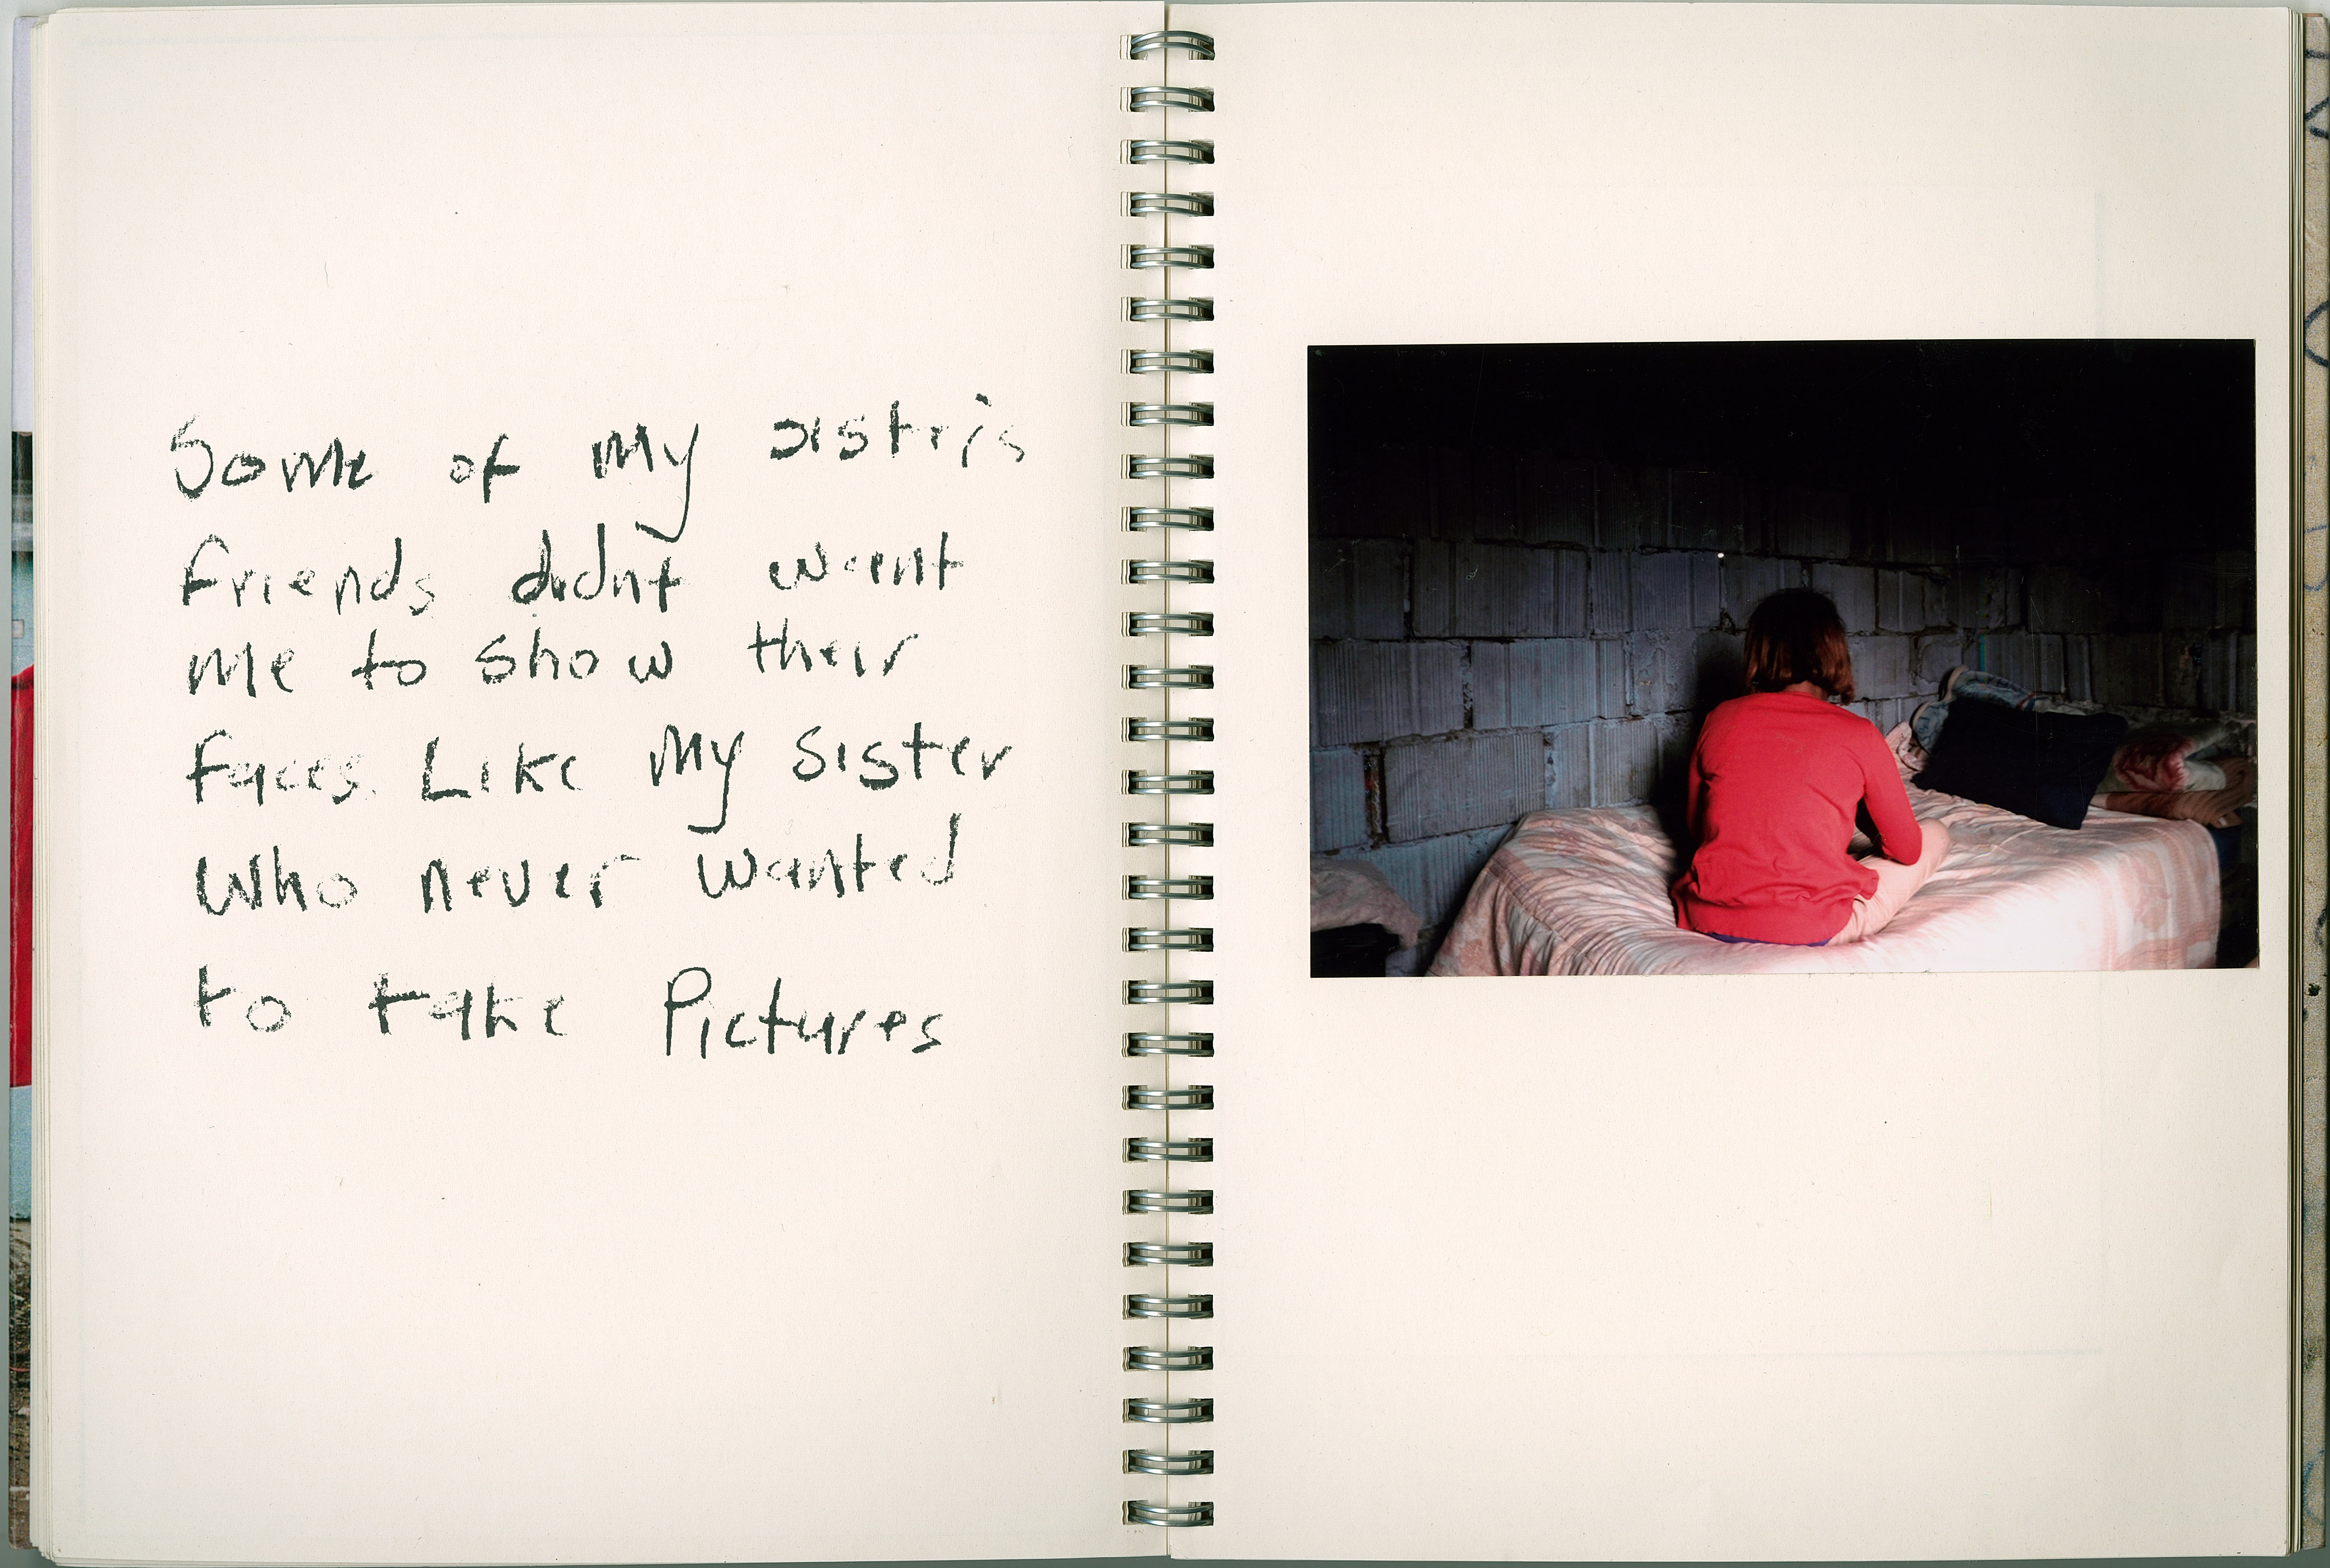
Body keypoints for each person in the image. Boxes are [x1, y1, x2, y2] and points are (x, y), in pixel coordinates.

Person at [1673, 588, 1952, 945]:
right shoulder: (1859, 734)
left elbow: (1699, 828)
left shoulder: (1719, 718)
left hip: (1709, 916)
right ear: (1835, 653)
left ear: (1759, 653)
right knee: (1935, 833)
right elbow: (1907, 851)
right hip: (1808, 928)